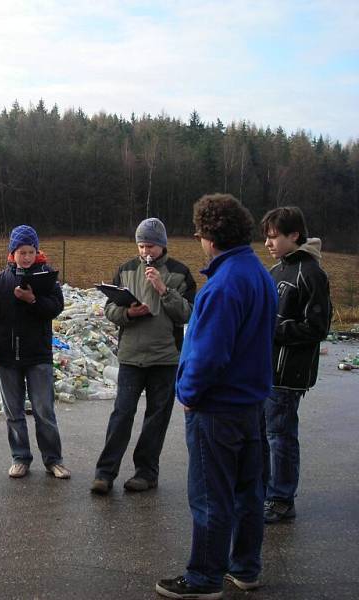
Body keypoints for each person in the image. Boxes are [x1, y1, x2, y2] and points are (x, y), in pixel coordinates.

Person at [156, 194, 277, 599]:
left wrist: (188, 393)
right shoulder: (259, 274)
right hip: (250, 404)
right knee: (248, 491)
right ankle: (245, 567)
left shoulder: (222, 285)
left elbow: (210, 353)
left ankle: (205, 577)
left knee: (210, 495)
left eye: (199, 234)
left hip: (217, 408)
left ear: (209, 236)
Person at [91, 218, 196, 495]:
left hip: (165, 358)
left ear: (162, 245)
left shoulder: (180, 273)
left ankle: (146, 473)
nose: (144, 251)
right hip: (130, 356)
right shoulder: (125, 270)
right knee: (121, 415)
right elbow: (110, 309)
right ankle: (105, 473)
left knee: (156, 419)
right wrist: (128, 313)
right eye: (140, 245)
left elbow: (187, 314)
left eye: (149, 245)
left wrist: (163, 289)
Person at [0, 225, 70, 479]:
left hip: (38, 355)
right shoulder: (1, 281)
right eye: (22, 251)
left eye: (31, 251)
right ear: (12, 253)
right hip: (7, 357)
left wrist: (33, 300)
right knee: (14, 412)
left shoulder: (47, 276)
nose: (27, 256)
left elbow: (56, 307)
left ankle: (54, 460)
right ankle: (20, 458)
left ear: (37, 252)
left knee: (44, 410)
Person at [260, 206, 332, 524]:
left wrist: (273, 327)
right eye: (266, 237)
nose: (268, 243)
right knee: (264, 434)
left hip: (289, 372)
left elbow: (316, 328)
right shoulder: (276, 271)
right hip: (264, 369)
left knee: (280, 435)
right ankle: (265, 493)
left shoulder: (311, 273)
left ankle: (281, 499)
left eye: (274, 237)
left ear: (294, 235)